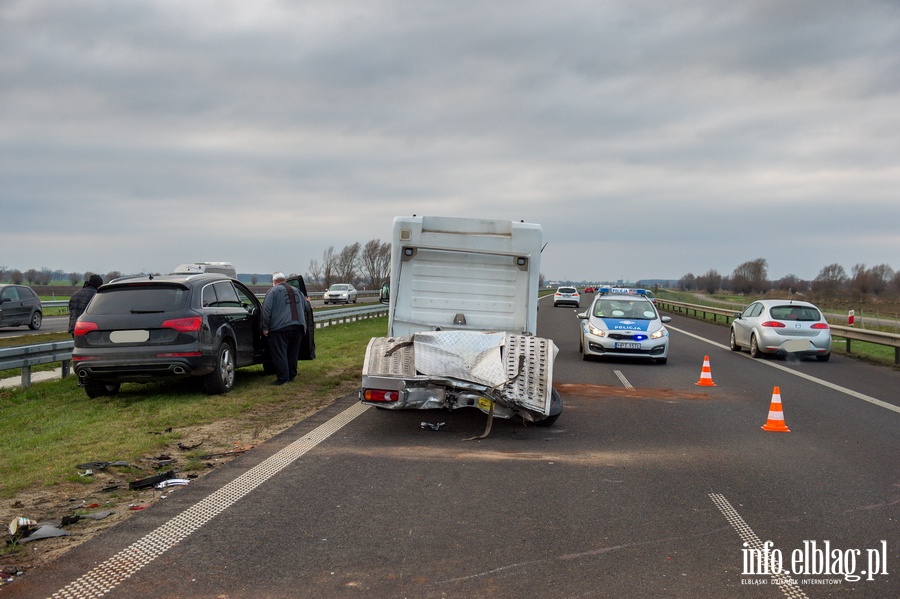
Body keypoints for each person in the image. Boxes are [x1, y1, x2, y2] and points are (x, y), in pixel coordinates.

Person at [261, 272, 307, 385]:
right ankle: (291, 376)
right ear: (285, 280)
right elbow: (306, 307)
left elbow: (266, 311)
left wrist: (265, 327)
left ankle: (282, 378)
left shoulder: (273, 292)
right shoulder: (297, 291)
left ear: (274, 282)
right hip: (298, 327)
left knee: (280, 354)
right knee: (292, 353)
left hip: (279, 328)